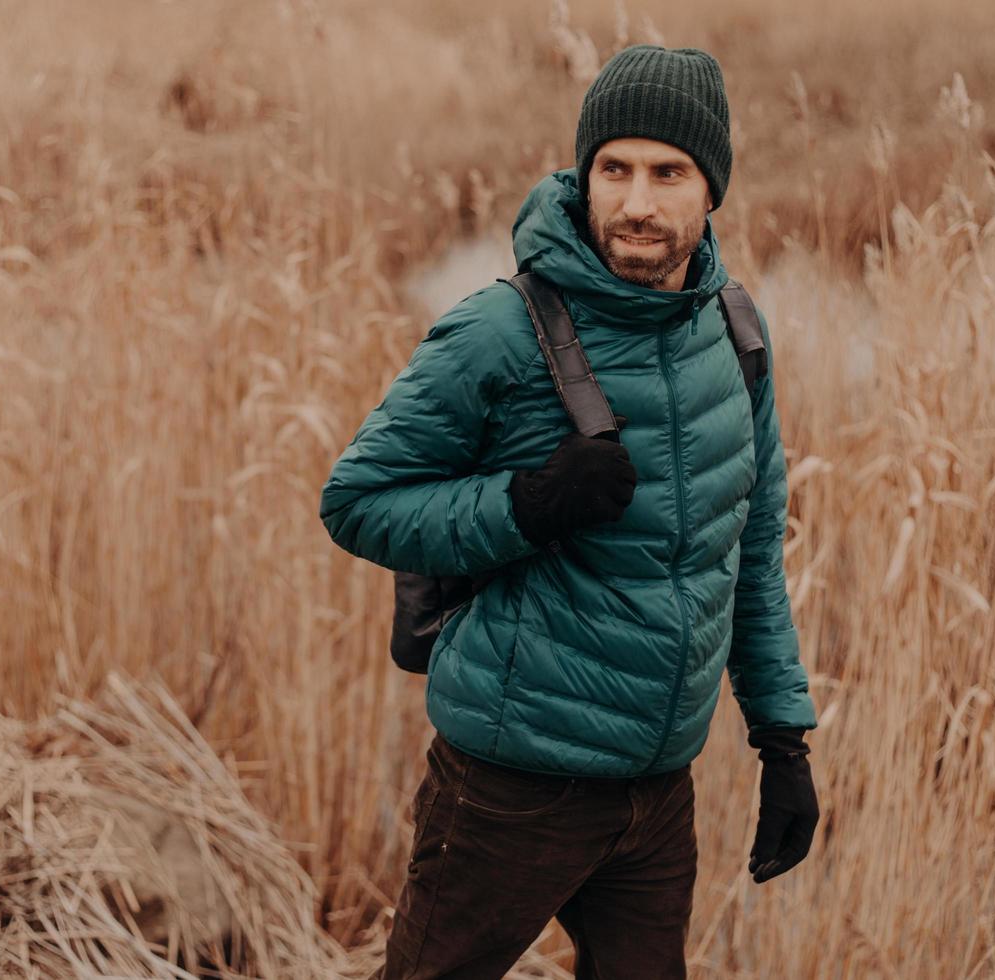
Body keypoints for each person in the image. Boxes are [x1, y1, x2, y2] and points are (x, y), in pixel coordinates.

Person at [319, 44, 819, 980]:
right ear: (583, 175)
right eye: (614, 169)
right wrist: (527, 503)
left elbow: (749, 547)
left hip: (659, 794)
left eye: (668, 173)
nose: (637, 201)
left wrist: (781, 735)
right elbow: (356, 501)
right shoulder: (499, 332)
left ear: (712, 190)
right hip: (513, 785)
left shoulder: (736, 332)